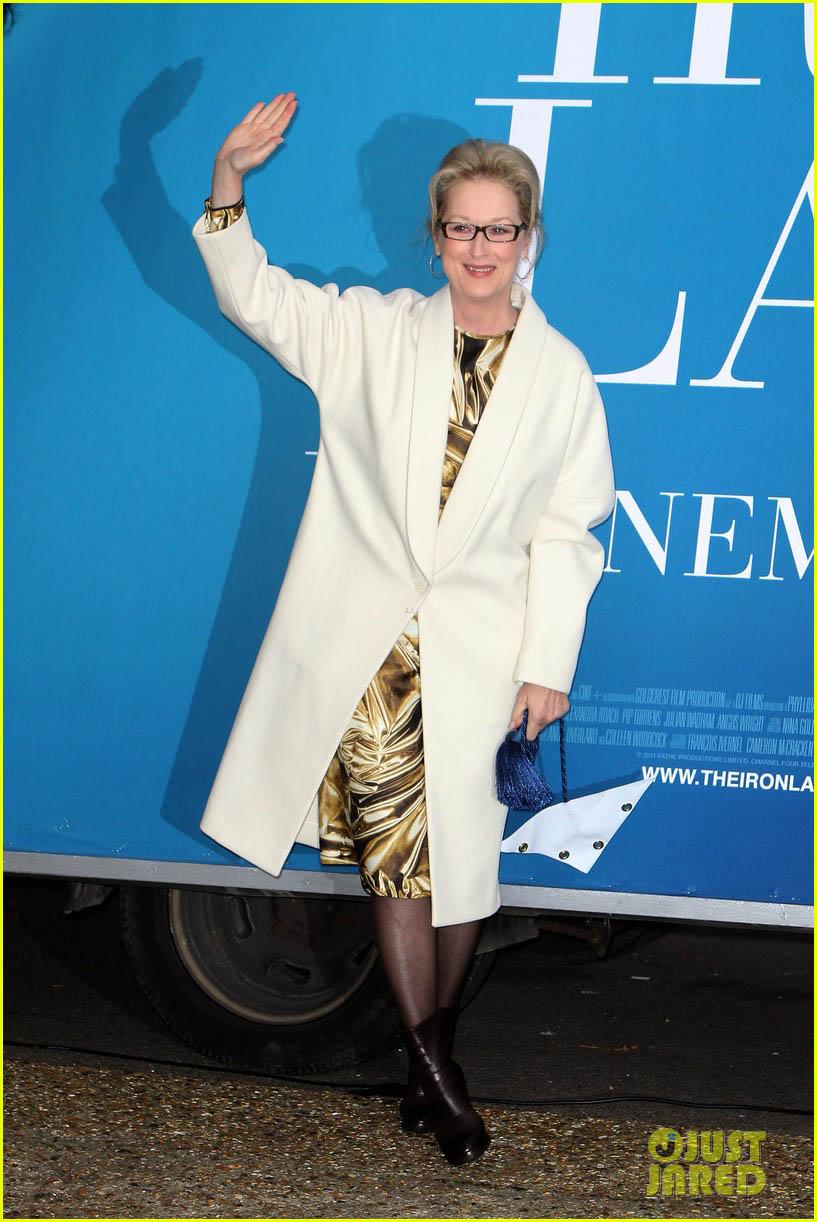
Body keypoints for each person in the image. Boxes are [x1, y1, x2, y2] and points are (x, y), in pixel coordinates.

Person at [192, 92, 616, 1167]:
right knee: (399, 863)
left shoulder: (561, 375)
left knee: (462, 868)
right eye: (461, 227)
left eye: (499, 228)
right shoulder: (373, 332)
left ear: (528, 236)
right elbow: (255, 296)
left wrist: (547, 664)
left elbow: (569, 531)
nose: (479, 248)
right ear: (435, 235)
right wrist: (229, 180)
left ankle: (431, 1060)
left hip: (483, 655)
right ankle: (438, 1077)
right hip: (373, 652)